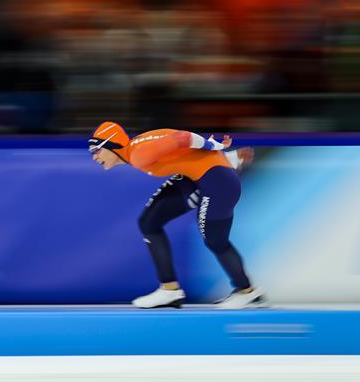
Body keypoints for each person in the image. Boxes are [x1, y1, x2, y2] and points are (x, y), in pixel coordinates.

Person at [88, 121, 265, 309]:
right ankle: (169, 290)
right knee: (149, 222)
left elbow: (182, 138)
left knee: (215, 240)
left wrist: (215, 146)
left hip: (218, 183)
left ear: (112, 145)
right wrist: (227, 157)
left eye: (96, 150)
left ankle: (247, 292)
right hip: (199, 178)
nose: (94, 157)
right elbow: (183, 151)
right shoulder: (137, 147)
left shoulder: (138, 154)